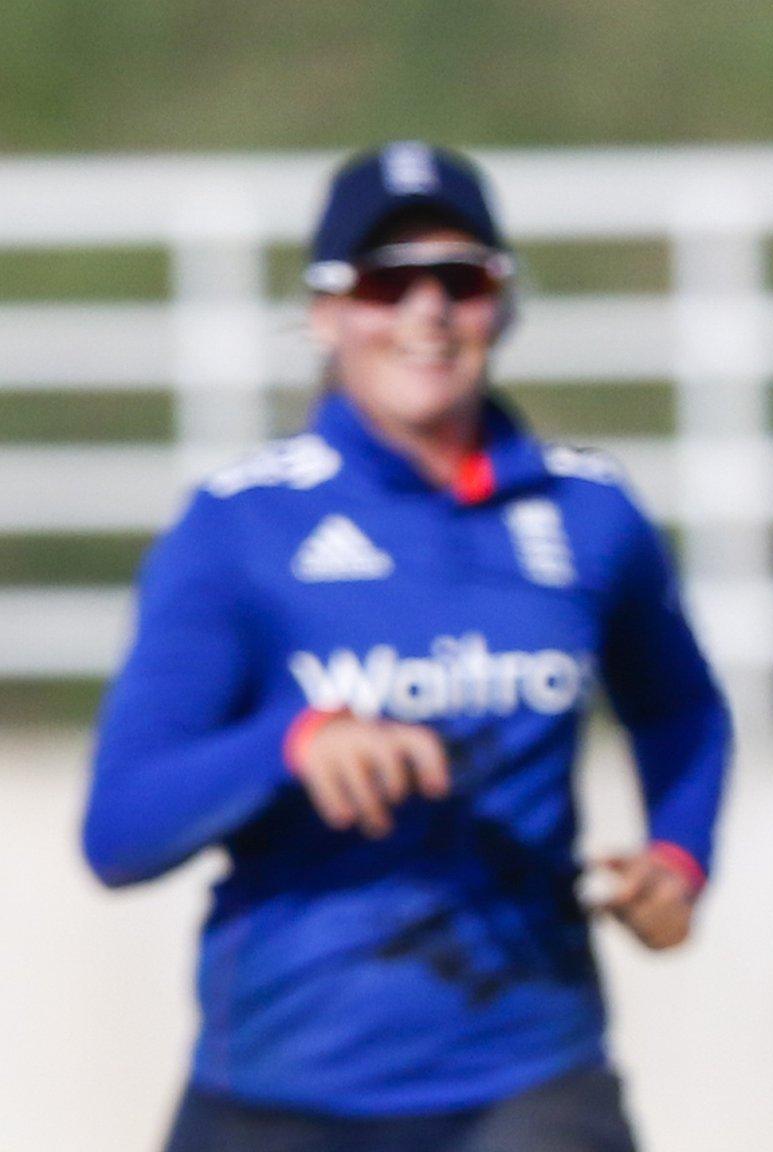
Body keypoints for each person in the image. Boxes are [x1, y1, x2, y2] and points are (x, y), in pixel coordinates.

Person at [82, 142, 732, 1152]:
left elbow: (680, 706)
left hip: (529, 1078)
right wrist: (290, 745)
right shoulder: (237, 528)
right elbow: (119, 830)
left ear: (502, 305)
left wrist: (679, 857)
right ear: (327, 313)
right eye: (387, 281)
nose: (426, 310)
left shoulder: (589, 510)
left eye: (460, 279)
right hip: (280, 1088)